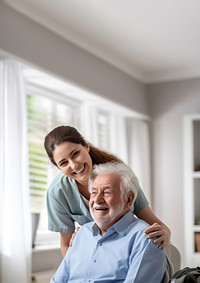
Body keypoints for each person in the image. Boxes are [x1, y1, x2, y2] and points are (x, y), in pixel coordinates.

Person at [44, 125, 171, 256]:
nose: (74, 165)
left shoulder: (120, 176)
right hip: (95, 255)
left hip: (129, 251)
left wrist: (165, 233)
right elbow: (66, 244)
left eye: (75, 154)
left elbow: (157, 225)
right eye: (63, 163)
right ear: (58, 167)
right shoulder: (57, 193)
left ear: (86, 146)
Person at [50, 162, 167, 283]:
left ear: (128, 199)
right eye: (94, 192)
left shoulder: (146, 238)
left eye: (107, 192)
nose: (97, 200)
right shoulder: (82, 233)